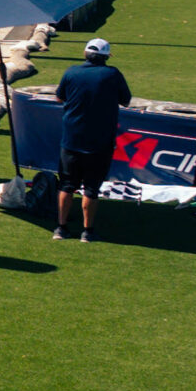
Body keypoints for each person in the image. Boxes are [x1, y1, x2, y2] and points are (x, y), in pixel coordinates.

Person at [54, 37, 131, 242]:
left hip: (71, 139)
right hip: (100, 142)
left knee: (66, 185)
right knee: (91, 189)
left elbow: (59, 97)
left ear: (85, 54)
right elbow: (126, 100)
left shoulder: (71, 72)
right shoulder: (112, 74)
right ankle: (87, 231)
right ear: (106, 57)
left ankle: (61, 228)